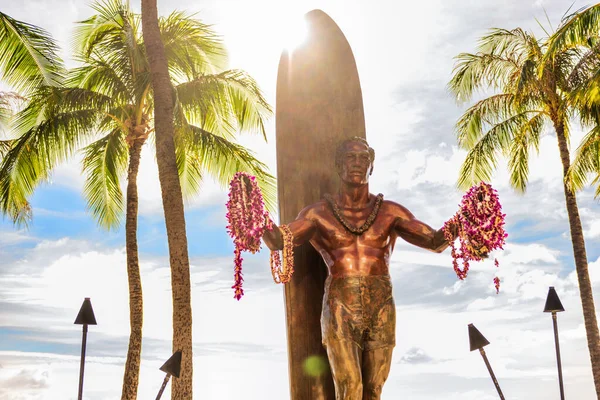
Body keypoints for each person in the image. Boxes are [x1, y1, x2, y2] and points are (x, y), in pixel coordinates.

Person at [262, 137, 458, 400]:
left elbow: (435, 241)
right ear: (338, 165)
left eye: (363, 158)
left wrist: (465, 219)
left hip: (381, 302)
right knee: (350, 387)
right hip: (341, 303)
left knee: (374, 389)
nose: (357, 164)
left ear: (372, 166)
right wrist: (253, 216)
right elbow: (279, 240)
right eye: (350, 158)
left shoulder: (391, 212)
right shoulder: (318, 214)